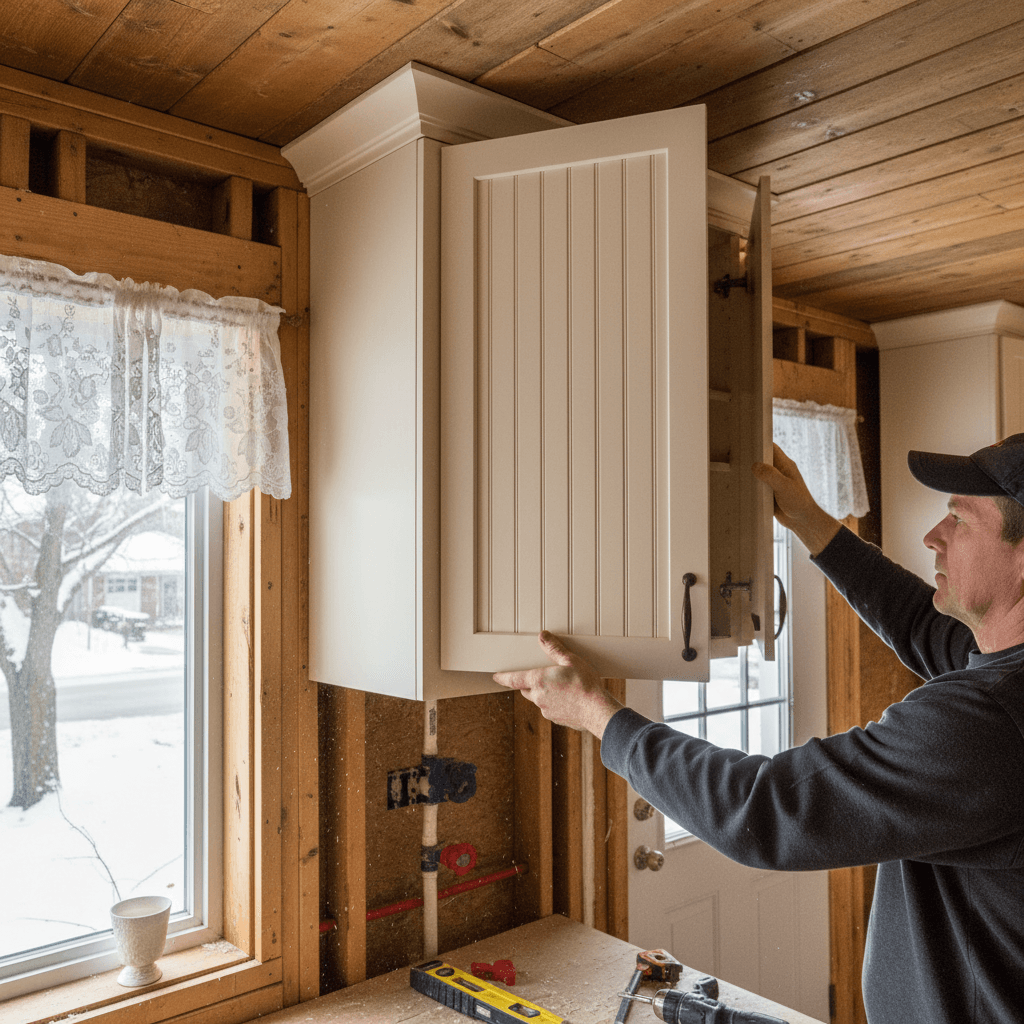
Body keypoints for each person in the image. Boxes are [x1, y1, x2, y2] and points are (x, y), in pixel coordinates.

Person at [494, 435, 1024, 1024]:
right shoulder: (1006, 671)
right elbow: (921, 621)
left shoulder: (987, 724)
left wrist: (599, 715)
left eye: (959, 519)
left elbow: (764, 808)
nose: (934, 536)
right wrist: (809, 521)